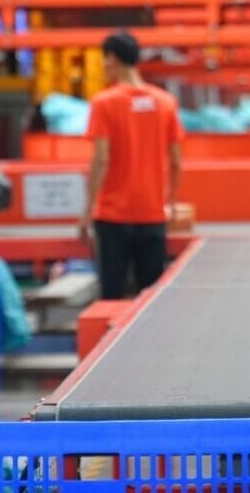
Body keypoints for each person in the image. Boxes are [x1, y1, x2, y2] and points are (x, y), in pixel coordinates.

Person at [79, 32, 185, 299]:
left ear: (113, 59)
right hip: (152, 215)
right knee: (151, 300)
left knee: (111, 297)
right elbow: (176, 161)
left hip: (113, 217)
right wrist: (171, 202)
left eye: (104, 59)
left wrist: (88, 210)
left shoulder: (104, 103)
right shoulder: (165, 103)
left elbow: (101, 159)